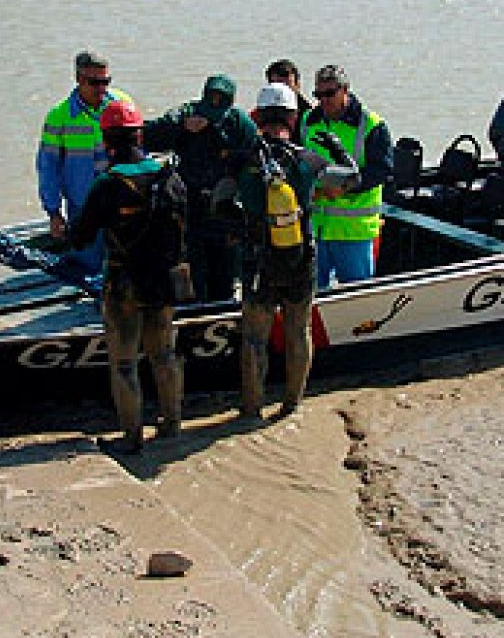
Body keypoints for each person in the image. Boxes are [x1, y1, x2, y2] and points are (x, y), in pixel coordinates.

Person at [67, 100, 188, 453]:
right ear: (140, 135)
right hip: (165, 281)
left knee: (123, 363)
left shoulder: (107, 185)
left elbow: (81, 237)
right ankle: (172, 425)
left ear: (107, 142)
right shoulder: (171, 178)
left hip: (125, 284)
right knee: (164, 355)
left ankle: (132, 436)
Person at [230, 83, 357, 419]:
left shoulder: (243, 162)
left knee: (255, 337)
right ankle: (291, 406)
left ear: (257, 117)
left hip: (258, 260)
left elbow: (218, 202)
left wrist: (244, 225)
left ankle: (251, 409)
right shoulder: (308, 161)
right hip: (300, 258)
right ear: (292, 116)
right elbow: (351, 179)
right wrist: (339, 150)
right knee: (298, 331)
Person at [144, 75, 258, 302]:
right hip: (192, 212)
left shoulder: (238, 123)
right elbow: (146, 136)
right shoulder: (185, 114)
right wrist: (180, 127)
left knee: (224, 277)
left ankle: (223, 308)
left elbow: (255, 156)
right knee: (194, 274)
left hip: (226, 211)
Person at [37, 51, 129, 271]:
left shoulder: (122, 106)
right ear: (78, 79)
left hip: (120, 203)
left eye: (105, 82)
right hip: (83, 205)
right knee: (86, 266)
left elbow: (139, 153)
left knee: (124, 264)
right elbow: (47, 167)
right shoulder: (59, 116)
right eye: (94, 82)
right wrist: (54, 212)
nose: (101, 88)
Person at [303, 65, 394, 288]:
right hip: (316, 228)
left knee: (355, 297)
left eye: (329, 94)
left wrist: (344, 188)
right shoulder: (308, 121)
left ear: (345, 90)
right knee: (312, 294)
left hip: (354, 231)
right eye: (318, 95)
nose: (323, 100)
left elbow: (382, 171)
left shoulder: (371, 125)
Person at [254, 59, 312, 143]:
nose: (281, 90)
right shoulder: (256, 115)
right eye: (276, 85)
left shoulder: (313, 117)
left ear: (298, 85)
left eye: (287, 85)